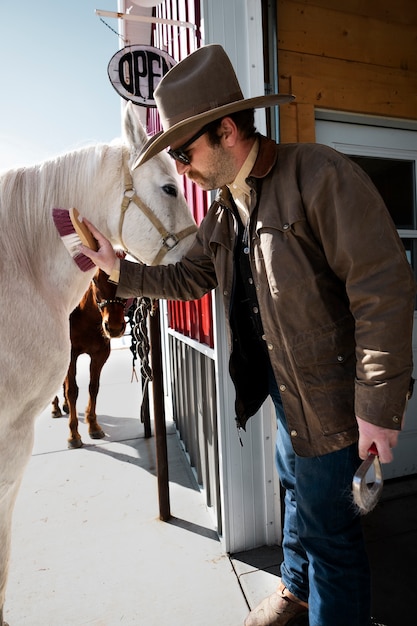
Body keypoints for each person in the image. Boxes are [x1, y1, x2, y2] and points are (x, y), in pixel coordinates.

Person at [81, 45, 415, 626]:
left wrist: (381, 405)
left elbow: (383, 286)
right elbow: (192, 276)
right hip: (286, 394)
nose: (181, 169)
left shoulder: (320, 176)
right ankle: (296, 591)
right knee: (294, 492)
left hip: (336, 406)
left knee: (332, 537)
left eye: (185, 152)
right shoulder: (224, 209)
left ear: (227, 131)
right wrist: (120, 269)